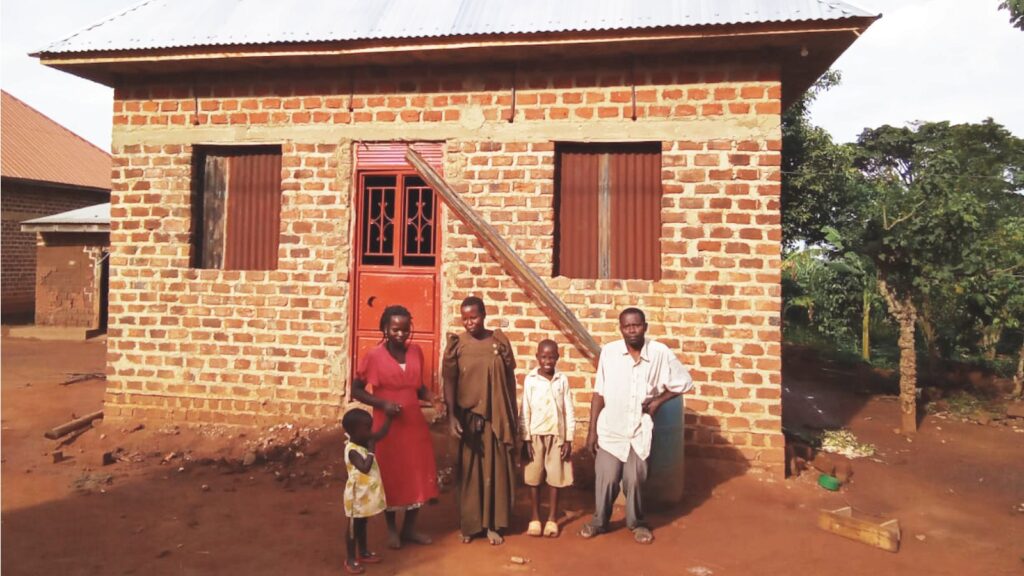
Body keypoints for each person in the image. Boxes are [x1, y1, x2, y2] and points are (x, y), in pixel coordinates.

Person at [579, 307, 694, 545]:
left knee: (634, 478)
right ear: (620, 328)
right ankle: (600, 521)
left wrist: (658, 402)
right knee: (607, 477)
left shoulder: (659, 352)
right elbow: (598, 393)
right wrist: (591, 433)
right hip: (611, 427)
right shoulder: (609, 353)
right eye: (627, 326)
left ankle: (637, 522)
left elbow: (684, 382)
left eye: (637, 325)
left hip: (639, 430)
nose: (632, 330)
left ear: (645, 326)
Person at [350, 305, 440, 549]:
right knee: (391, 474)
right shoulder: (373, 356)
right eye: (394, 329)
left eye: (404, 329)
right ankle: (391, 530)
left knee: (416, 472)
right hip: (387, 425)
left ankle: (409, 528)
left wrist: (431, 397)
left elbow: (417, 387)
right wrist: (382, 403)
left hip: (413, 424)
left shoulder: (416, 352)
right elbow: (355, 389)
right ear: (385, 329)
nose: (400, 334)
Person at [442, 296, 518, 545]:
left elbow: (509, 380)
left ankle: (493, 525)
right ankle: (471, 524)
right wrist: (452, 415)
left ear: (484, 315)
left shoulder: (499, 343)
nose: (469, 322)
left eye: (473, 317)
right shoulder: (457, 344)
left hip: (495, 418)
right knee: (470, 472)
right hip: (467, 417)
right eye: (465, 318)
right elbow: (450, 381)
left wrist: (510, 417)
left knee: (494, 471)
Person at [521, 339, 575, 538]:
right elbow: (525, 409)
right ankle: (535, 518)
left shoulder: (562, 380)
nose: (547, 361)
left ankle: (552, 519)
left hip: (557, 435)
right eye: (543, 357)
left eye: (552, 357)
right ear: (537, 357)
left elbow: (568, 409)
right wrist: (525, 438)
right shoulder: (531, 380)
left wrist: (569, 438)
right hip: (535, 435)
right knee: (534, 477)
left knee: (555, 477)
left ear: (557, 358)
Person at [342, 408, 393, 574]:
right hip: (356, 498)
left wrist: (389, 418)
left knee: (362, 525)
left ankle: (363, 552)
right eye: (367, 429)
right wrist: (371, 451)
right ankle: (350, 559)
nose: (370, 432)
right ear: (354, 431)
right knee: (353, 528)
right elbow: (364, 468)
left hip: (365, 496)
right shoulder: (352, 450)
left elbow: (380, 435)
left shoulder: (363, 440)